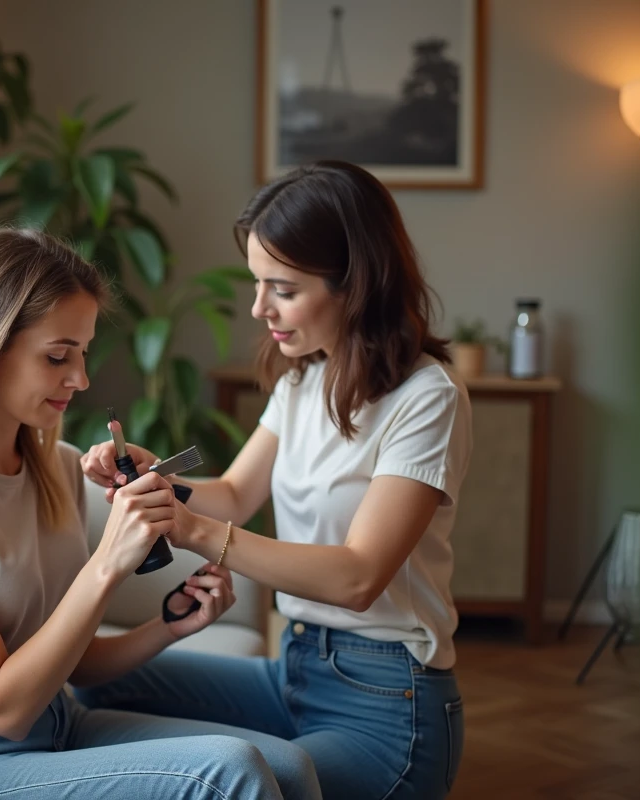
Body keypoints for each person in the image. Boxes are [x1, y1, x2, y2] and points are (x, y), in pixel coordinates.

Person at [0, 227, 321, 800]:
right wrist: (108, 563)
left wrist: (170, 625)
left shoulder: (56, 469)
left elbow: (71, 663)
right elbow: (3, 706)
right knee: (229, 772)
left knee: (289, 767)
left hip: (57, 722)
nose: (81, 379)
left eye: (84, 352)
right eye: (57, 356)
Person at [80, 161, 472, 799]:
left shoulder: (428, 398)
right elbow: (235, 495)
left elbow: (357, 578)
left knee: (264, 780)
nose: (259, 307)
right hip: (296, 668)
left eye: (282, 289)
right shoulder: (304, 378)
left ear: (356, 284)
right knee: (97, 684)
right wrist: (155, 477)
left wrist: (193, 529)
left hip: (386, 702)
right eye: (258, 283)